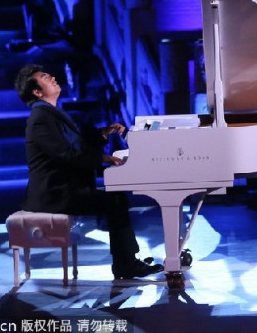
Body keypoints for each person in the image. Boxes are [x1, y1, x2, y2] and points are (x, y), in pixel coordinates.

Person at [14, 64, 163, 279]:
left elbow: (78, 143)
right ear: (37, 92)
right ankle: (126, 263)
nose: (53, 77)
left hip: (65, 188)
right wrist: (103, 158)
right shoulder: (40, 118)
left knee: (115, 198)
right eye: (46, 77)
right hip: (55, 194)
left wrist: (105, 133)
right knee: (114, 200)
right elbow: (64, 154)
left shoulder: (50, 113)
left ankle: (126, 261)